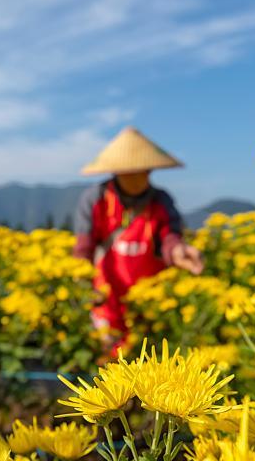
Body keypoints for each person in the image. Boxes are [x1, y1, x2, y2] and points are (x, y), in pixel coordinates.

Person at [73, 126, 204, 355]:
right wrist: (81, 284)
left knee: (152, 361)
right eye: (131, 171)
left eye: (144, 170)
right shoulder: (95, 199)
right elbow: (84, 247)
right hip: (107, 298)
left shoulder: (161, 201)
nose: (140, 176)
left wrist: (178, 252)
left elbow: (169, 237)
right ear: (117, 172)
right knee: (111, 366)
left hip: (150, 302)